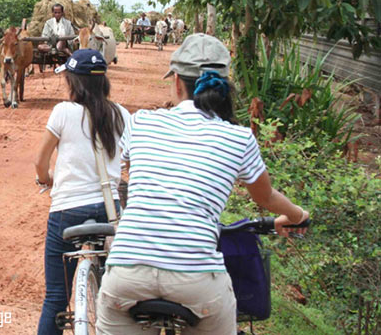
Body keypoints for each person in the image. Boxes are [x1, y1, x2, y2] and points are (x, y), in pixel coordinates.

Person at [95, 34, 309, 334]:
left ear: (178, 82)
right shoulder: (240, 138)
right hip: (196, 283)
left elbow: (133, 173)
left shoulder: (142, 122)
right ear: (223, 89)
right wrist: (298, 216)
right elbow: (267, 197)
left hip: (127, 275)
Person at [33, 49, 130, 335]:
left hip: (67, 212)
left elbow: (40, 162)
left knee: (56, 298)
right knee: (116, 295)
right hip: (109, 212)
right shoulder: (121, 114)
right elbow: (132, 162)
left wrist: (45, 181)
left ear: (74, 82)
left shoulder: (63, 112)